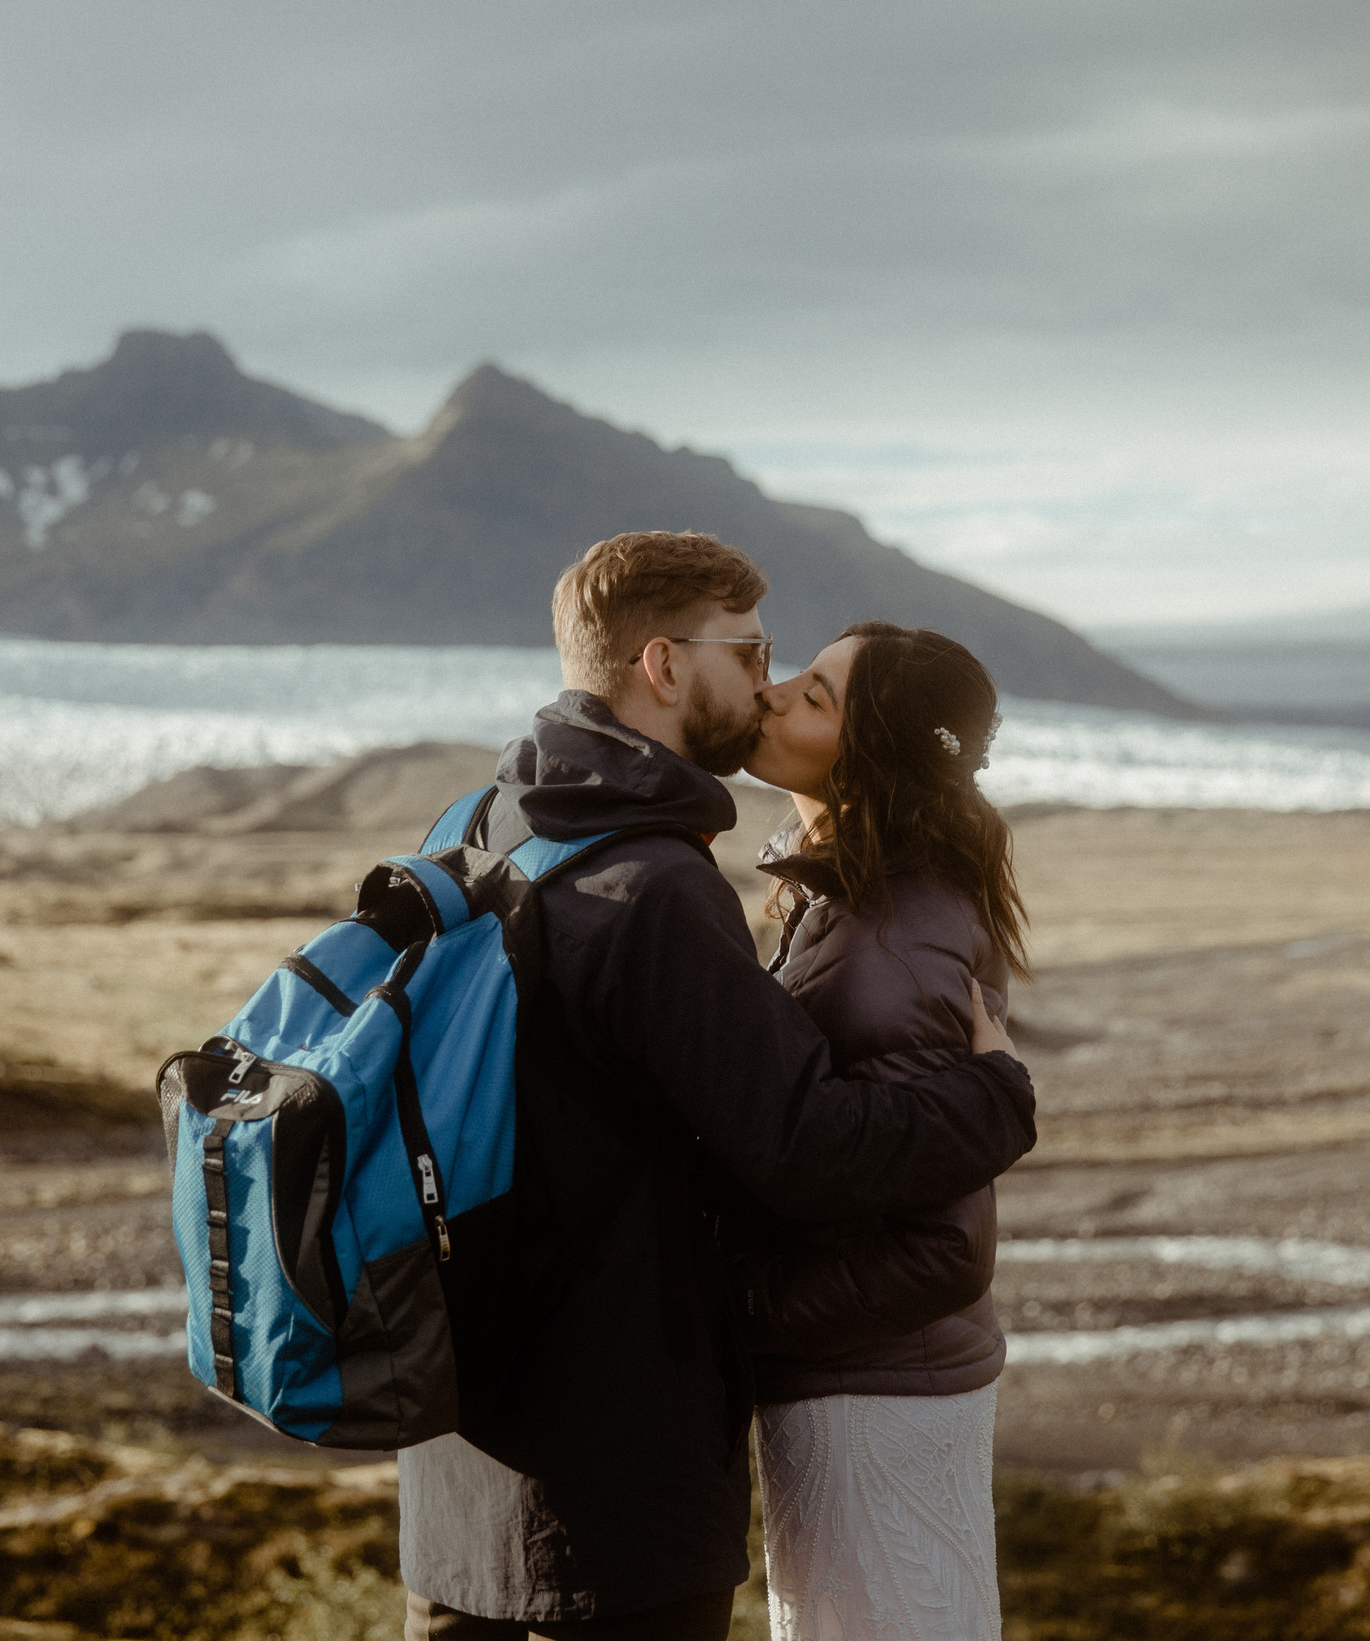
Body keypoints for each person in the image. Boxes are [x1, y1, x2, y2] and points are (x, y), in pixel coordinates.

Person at [397, 533, 1036, 1641]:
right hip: (607, 1485)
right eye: (751, 652)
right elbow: (807, 1146)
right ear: (662, 665)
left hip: (462, 1467)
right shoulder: (653, 881)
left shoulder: (484, 826)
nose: (765, 681)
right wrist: (995, 1101)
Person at [735, 622, 1029, 1641]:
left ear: (875, 759)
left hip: (872, 1393)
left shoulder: (890, 937)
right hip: (869, 1381)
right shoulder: (855, 905)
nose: (769, 695)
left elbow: (944, 1249)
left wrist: (742, 1319)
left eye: (813, 696)